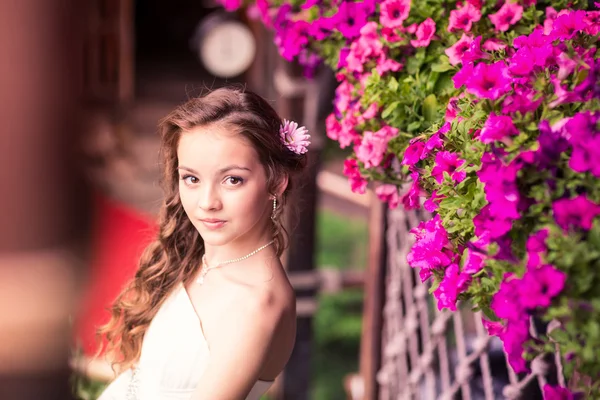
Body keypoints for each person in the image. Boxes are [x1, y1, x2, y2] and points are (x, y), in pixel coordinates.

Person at [96, 87, 310, 400]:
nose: (207, 203)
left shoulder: (257, 305)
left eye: (232, 179)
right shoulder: (199, 257)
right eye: (192, 179)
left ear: (276, 182)